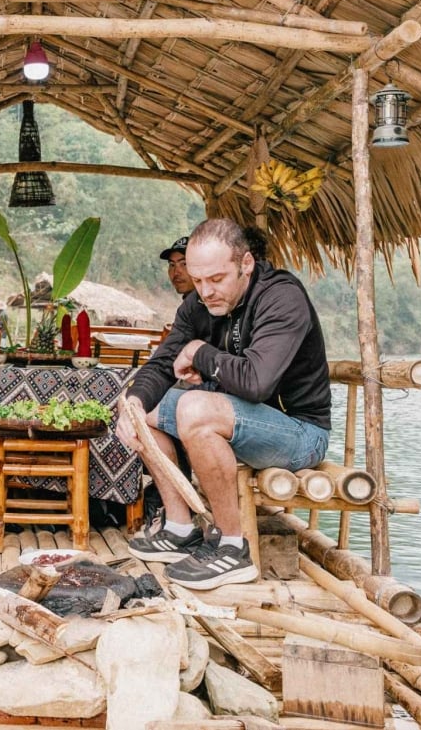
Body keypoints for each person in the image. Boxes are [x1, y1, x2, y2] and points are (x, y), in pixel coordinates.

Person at [116, 218, 331, 589]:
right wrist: (132, 404)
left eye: (216, 279)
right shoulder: (197, 305)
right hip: (240, 423)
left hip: (299, 433)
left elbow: (257, 382)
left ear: (245, 264)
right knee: (143, 407)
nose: (206, 292)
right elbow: (163, 363)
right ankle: (180, 527)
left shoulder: (281, 297)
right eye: (198, 281)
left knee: (195, 407)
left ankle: (232, 546)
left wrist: (200, 352)